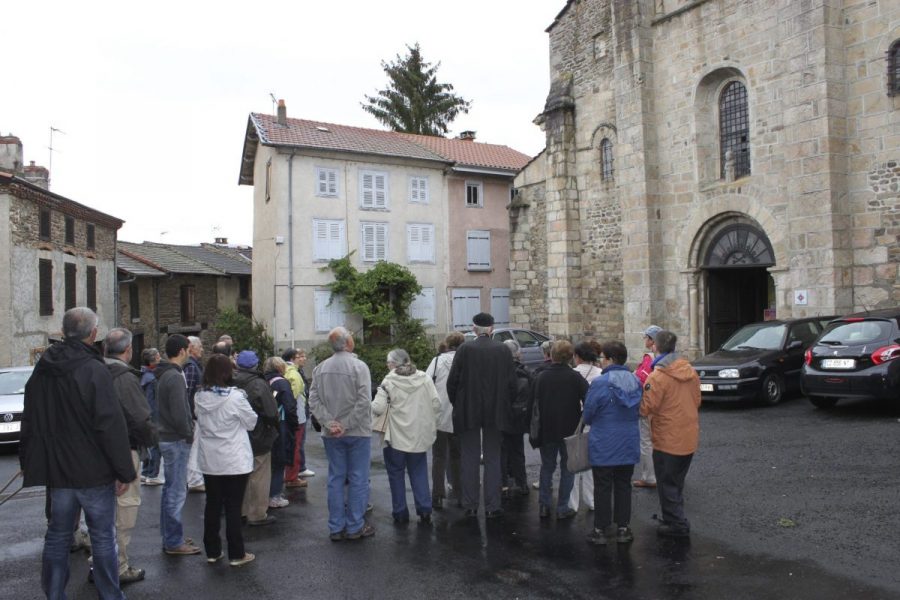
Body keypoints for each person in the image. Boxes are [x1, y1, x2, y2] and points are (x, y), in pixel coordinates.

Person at [20, 307, 136, 599]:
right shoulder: (94, 369)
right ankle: (111, 595)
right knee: (102, 539)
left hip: (59, 472)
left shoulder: (42, 368)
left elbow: (30, 417)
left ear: (63, 331)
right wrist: (124, 471)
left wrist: (30, 460)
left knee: (57, 537)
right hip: (93, 471)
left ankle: (55, 594)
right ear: (93, 334)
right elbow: (110, 424)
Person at [446, 312, 517, 519]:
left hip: (468, 410)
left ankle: (470, 504)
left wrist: (458, 404)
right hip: (496, 410)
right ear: (492, 329)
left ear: (474, 329)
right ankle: (493, 505)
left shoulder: (464, 349)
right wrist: (506, 404)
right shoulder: (503, 350)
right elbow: (512, 383)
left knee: (470, 456)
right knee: (493, 456)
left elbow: (453, 382)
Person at [308, 327, 374, 541]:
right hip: (358, 431)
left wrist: (330, 423)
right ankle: (355, 526)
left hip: (331, 433)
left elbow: (313, 401)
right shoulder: (359, 366)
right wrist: (346, 424)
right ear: (348, 343)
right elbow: (364, 400)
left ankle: (336, 526)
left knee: (336, 478)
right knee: (358, 478)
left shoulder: (320, 368)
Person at [104, 328, 159, 584]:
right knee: (124, 511)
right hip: (124, 449)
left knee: (102, 514)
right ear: (128, 350)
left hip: (96, 451)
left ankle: (101, 563)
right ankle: (118, 566)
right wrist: (152, 441)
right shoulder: (123, 377)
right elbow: (139, 417)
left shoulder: (94, 371)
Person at [194, 354, 258, 567]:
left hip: (210, 458)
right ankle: (236, 553)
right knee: (233, 506)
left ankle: (212, 550)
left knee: (212, 504)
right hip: (234, 458)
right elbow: (251, 422)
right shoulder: (235, 397)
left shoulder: (199, 396)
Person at [640, 330, 701, 538]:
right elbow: (697, 400)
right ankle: (673, 516)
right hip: (688, 435)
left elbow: (646, 407)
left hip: (667, 437)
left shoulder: (657, 377)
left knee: (667, 482)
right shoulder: (690, 371)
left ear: (655, 347)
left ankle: (677, 523)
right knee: (676, 481)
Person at [583, 340, 642, 545]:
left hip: (604, 441)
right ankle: (623, 528)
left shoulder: (600, 383)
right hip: (628, 440)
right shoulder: (635, 382)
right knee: (624, 485)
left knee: (602, 485)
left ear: (609, 359)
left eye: (603, 358)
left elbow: (588, 413)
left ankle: (600, 529)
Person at [371, 349, 441, 524]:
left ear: (394, 364)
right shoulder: (424, 378)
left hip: (395, 436)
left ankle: (400, 512)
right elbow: (436, 404)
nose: (387, 366)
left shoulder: (388, 381)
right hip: (418, 435)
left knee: (396, 473)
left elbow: (378, 408)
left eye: (388, 363)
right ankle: (424, 510)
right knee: (419, 471)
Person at [532, 340, 588, 520]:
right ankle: (563, 506)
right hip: (570, 429)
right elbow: (589, 401)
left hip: (546, 428)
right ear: (570, 357)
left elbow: (533, 405)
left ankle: (544, 505)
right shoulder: (575, 377)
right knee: (568, 468)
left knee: (547, 466)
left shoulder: (541, 377)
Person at [155, 333, 199, 555]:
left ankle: (171, 536)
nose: (190, 352)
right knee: (176, 492)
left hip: (169, 437)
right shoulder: (173, 377)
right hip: (175, 439)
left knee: (170, 491)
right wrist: (188, 433)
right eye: (189, 349)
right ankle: (173, 541)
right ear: (182, 351)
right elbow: (179, 411)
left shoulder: (167, 374)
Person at [233, 350, 279, 527]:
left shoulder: (233, 381)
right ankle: (257, 513)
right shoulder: (259, 384)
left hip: (238, 434)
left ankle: (243, 510)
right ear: (255, 365)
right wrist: (274, 427)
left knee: (242, 474)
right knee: (259, 474)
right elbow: (270, 412)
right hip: (259, 434)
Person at [424, 332, 463, 509]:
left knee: (439, 456)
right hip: (460, 415)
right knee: (458, 456)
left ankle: (437, 495)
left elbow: (426, 383)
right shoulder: (465, 361)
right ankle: (460, 492)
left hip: (439, 414)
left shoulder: (437, 361)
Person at [569, 341, 602, 513]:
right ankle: (591, 500)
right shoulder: (600, 373)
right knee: (590, 462)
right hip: (592, 421)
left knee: (572, 461)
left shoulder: (572, 373)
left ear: (578, 357)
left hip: (573, 420)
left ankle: (572, 503)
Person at [263, 356, 299, 509]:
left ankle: (266, 493)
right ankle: (274, 495)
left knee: (267, 462)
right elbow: (290, 406)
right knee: (279, 461)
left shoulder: (263, 381)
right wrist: (295, 424)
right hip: (281, 424)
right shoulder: (282, 383)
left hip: (265, 425)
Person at [500, 340, 531, 498]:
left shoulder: (498, 371)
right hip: (519, 417)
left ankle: (504, 484)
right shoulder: (524, 371)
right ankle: (522, 483)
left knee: (502, 451)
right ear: (517, 353)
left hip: (503, 417)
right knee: (518, 451)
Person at [633, 325, 662, 489]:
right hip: (666, 405)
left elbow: (640, 380)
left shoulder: (649, 358)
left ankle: (649, 477)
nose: (644, 340)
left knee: (646, 441)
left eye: (645, 337)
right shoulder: (670, 357)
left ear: (651, 340)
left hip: (649, 404)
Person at [282, 348, 312, 489]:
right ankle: (292, 477)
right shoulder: (293, 372)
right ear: (293, 358)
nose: (303, 358)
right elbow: (294, 396)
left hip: (291, 416)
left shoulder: (284, 370)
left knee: (292, 446)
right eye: (299, 356)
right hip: (297, 417)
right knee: (295, 446)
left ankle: (291, 474)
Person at [184, 336, 206, 492]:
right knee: (194, 449)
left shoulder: (193, 366)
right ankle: (194, 480)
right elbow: (187, 393)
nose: (202, 349)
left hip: (193, 414)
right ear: (191, 347)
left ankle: (194, 479)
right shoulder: (191, 367)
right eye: (200, 346)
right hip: (193, 415)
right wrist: (190, 416)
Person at [140, 347, 164, 486]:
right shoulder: (152, 378)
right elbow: (152, 402)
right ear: (154, 359)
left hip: (146, 415)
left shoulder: (144, 375)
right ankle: (152, 474)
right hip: (153, 416)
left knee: (149, 444)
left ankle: (146, 472)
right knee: (155, 445)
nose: (160, 358)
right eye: (159, 356)